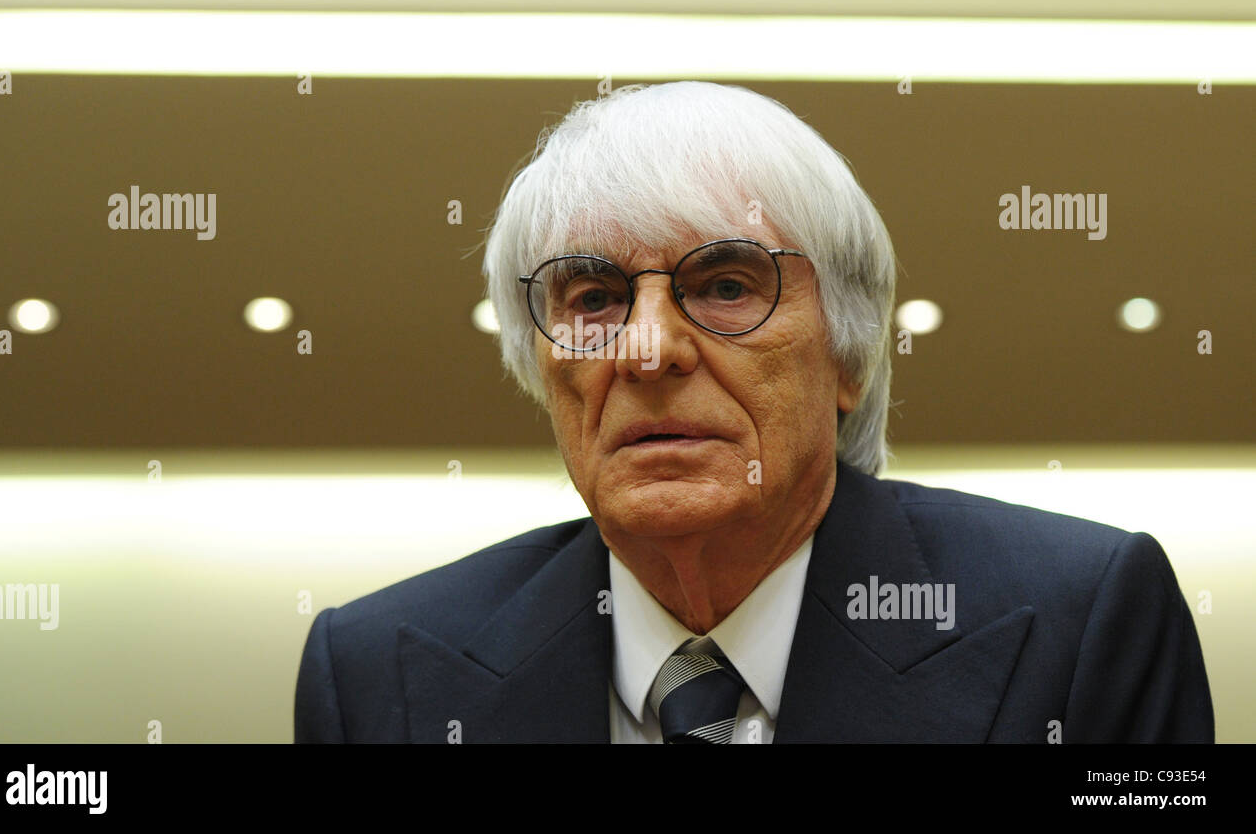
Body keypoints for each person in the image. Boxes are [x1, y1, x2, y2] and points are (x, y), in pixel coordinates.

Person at [294, 81, 1213, 743]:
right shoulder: (379, 676)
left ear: (846, 355)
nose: (646, 349)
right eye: (593, 300)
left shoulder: (1084, 620)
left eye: (726, 284)